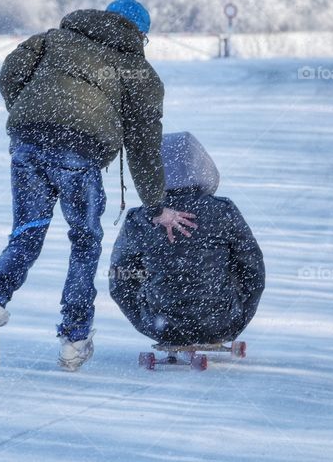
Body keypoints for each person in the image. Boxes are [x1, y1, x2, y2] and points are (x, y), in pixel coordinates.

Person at [0, 0, 198, 372]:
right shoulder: (138, 71)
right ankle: (74, 338)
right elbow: (143, 147)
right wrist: (156, 206)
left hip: (28, 142)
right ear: (140, 35)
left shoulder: (53, 40)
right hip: (80, 150)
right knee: (85, 241)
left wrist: (31, 115)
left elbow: (9, 73)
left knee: (26, 233)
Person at [109, 132, 265, 347]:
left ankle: (171, 324)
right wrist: (236, 319)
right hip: (220, 323)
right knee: (236, 263)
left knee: (135, 270)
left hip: (162, 325)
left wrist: (146, 320)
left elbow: (119, 279)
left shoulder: (140, 219)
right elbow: (253, 270)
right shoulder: (223, 210)